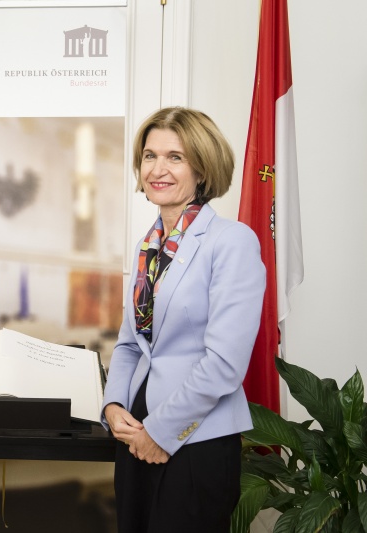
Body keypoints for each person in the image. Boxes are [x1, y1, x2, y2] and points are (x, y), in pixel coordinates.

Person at [101, 106, 265, 533]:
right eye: (150, 156)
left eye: (175, 157)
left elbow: (224, 363)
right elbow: (130, 344)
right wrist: (113, 405)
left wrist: (161, 431)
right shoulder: (148, 246)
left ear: (202, 168)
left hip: (194, 441)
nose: (158, 169)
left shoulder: (232, 242)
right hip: (135, 434)